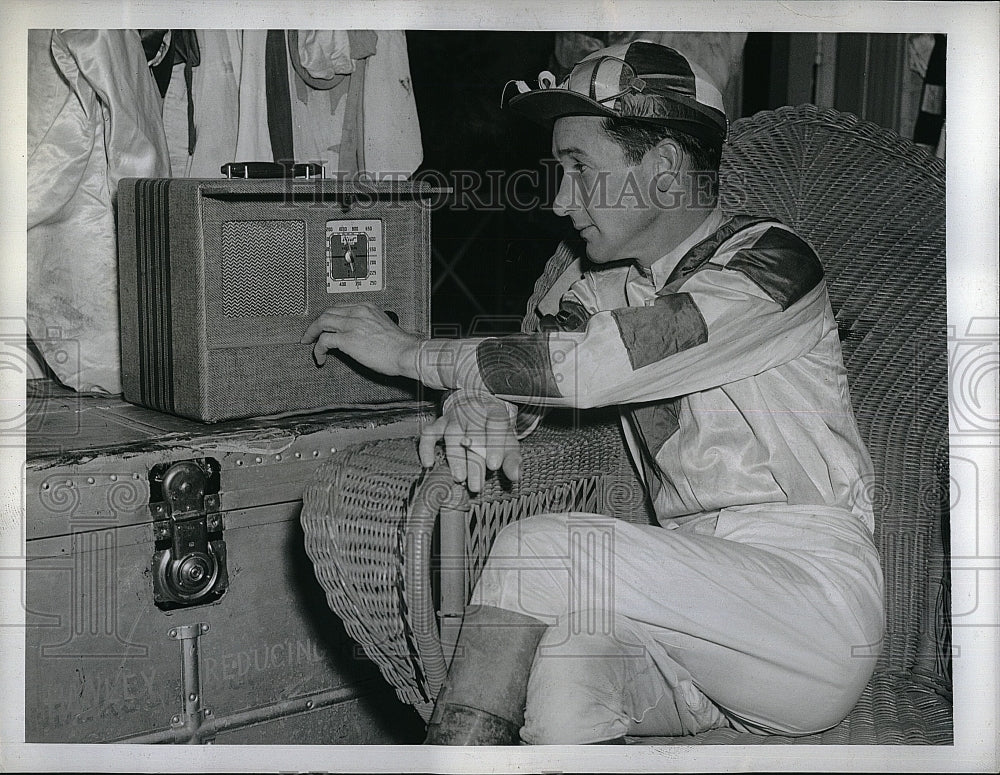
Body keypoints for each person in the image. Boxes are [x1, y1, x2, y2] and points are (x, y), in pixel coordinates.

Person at [301, 40, 884, 745]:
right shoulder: (599, 288)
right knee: (560, 679)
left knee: (532, 555)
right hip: (689, 629)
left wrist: (408, 353)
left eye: (579, 169)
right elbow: (534, 368)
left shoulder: (773, 265)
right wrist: (480, 403)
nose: (558, 199)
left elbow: (589, 364)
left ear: (666, 169)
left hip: (809, 610)